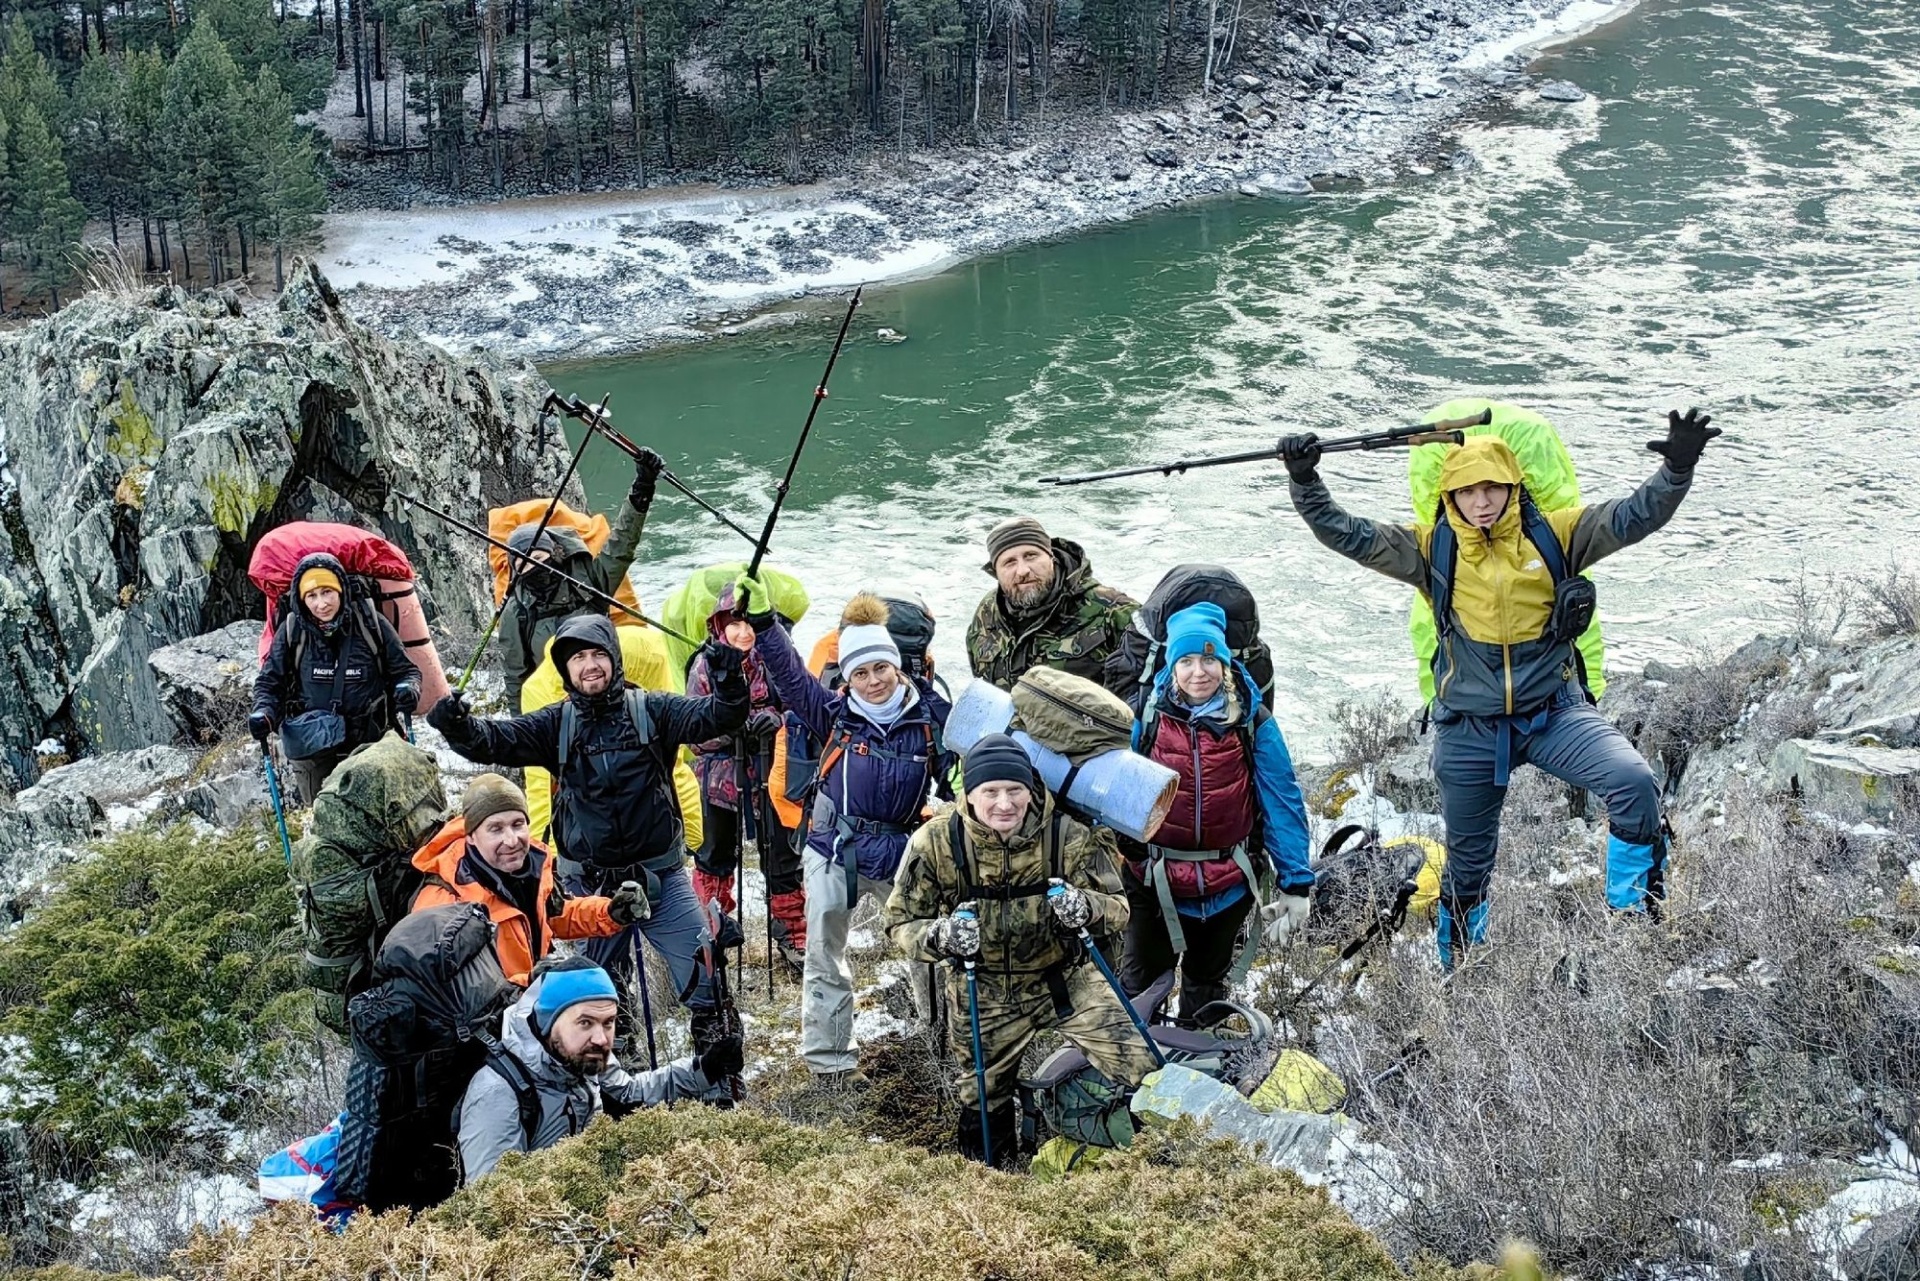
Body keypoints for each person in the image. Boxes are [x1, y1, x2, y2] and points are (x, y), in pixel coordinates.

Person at [1277, 409, 1719, 966]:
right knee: (1468, 865)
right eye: (1467, 491)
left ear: (1514, 488)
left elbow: (1634, 516)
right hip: (1469, 729)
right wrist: (1305, 480)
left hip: (1554, 714)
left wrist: (1677, 469)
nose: (1481, 501)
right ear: (1450, 498)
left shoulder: (1558, 534)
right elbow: (1346, 533)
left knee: (1633, 783)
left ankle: (1632, 922)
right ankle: (1458, 963)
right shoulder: (1428, 549)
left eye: (1492, 488)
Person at [428, 612, 748, 1058]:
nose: (589, 665)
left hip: (663, 880)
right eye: (578, 657)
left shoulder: (653, 709)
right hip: (589, 891)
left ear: (615, 659)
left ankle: (721, 1084)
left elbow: (721, 716)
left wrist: (729, 677)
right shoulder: (554, 724)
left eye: (598, 654)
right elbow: (491, 741)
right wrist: (455, 724)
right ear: (566, 669)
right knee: (593, 998)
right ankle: (612, 1082)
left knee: (706, 980)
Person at [883, 735, 1159, 1163]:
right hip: (985, 991)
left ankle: (1162, 1162)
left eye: (1014, 790)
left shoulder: (1068, 835)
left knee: (1142, 1066)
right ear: (969, 794)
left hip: (1068, 982)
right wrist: (942, 936)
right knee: (981, 1094)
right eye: (989, 792)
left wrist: (1083, 907)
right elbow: (900, 922)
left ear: (1030, 789)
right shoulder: (935, 843)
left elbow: (1118, 908)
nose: (1004, 804)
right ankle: (993, 1183)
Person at [737, 581, 952, 1085]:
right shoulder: (832, 713)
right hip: (834, 846)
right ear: (847, 676)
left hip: (902, 846)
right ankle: (831, 1065)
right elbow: (789, 677)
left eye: (881, 667)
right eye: (861, 672)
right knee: (824, 952)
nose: (873, 680)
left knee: (925, 944)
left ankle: (938, 1034)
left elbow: (964, 769)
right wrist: (765, 623)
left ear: (898, 665)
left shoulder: (932, 717)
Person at [1122, 602, 1314, 1016]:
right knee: (1138, 991)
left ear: (1224, 663)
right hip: (1154, 882)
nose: (1198, 672)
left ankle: (1199, 1064)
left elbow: (1281, 799)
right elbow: (1113, 789)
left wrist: (1296, 882)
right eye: (1187, 660)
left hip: (1227, 883)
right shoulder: (1146, 716)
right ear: (1171, 665)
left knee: (1206, 988)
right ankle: (1134, 1073)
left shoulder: (1251, 720)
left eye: (1209, 658)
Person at [456, 957, 742, 1182]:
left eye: (608, 1022)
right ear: (547, 1021)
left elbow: (630, 1092)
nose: (602, 1038)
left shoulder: (578, 1054)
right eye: (585, 1023)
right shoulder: (496, 1093)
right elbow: (493, 1206)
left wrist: (704, 1068)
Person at [409, 773, 650, 985]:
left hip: (530, 1009)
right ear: (470, 836)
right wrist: (529, 983)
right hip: (486, 1029)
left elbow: (555, 916)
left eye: (517, 824)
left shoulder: (531, 868)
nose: (512, 840)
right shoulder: (444, 899)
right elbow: (442, 991)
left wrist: (609, 912)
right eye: (495, 829)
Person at [686, 584, 805, 962]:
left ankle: (793, 934)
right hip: (719, 778)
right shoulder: (705, 664)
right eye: (733, 623)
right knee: (713, 858)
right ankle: (711, 932)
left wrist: (776, 720)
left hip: (774, 773)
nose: (742, 632)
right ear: (719, 624)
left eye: (748, 622)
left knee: (783, 858)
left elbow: (803, 705)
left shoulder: (778, 657)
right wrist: (730, 726)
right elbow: (693, 733)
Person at [499, 447, 663, 707]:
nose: (532, 570)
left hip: (610, 688)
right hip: (557, 707)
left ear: (556, 554)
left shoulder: (586, 582)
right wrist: (521, 737)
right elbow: (516, 679)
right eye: (522, 565)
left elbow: (620, 547)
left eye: (538, 560)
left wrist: (642, 489)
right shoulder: (517, 611)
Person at [251, 552, 420, 804]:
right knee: (326, 825)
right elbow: (269, 683)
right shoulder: (292, 631)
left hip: (370, 744)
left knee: (377, 819)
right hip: (315, 752)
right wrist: (263, 712)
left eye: (327, 592)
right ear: (302, 599)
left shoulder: (370, 623)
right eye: (312, 595)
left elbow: (406, 671)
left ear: (341, 589)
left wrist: (409, 688)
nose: (321, 604)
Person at [965, 516, 1139, 691]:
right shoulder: (987, 613)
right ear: (995, 572)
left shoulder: (1114, 612)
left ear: (1051, 557)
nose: (1023, 571)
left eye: (1031, 556)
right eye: (1009, 562)